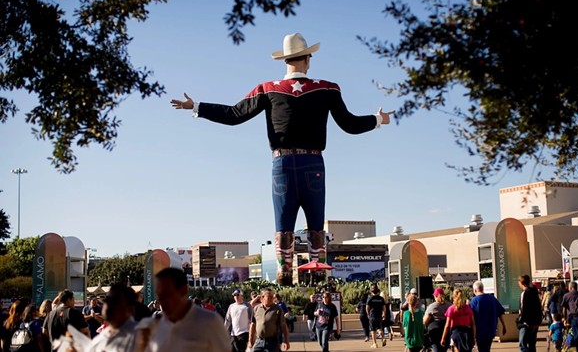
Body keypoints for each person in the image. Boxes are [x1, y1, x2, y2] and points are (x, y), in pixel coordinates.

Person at [170, 32, 394, 285]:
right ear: (308, 59)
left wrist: (197, 106)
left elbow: (234, 115)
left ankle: (284, 270)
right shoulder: (328, 88)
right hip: (313, 164)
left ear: (284, 61)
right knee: (315, 224)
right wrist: (378, 120)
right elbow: (350, 124)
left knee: (283, 224)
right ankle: (317, 272)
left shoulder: (267, 89)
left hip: (282, 164)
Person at [136, 267, 230, 351]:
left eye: (166, 294)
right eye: (159, 295)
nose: (161, 301)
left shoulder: (210, 322)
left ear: (183, 290)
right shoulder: (154, 325)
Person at [88, 283, 138, 352]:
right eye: (107, 301)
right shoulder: (100, 339)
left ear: (130, 308)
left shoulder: (141, 335)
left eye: (115, 303)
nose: (109, 306)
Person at [470, 280, 507, 352]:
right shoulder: (492, 298)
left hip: (480, 331)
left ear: (475, 290)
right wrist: (504, 326)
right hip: (491, 330)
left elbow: (471, 317)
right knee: (487, 348)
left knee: (482, 349)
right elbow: (500, 313)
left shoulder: (474, 301)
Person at [517, 274, 543, 352]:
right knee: (532, 344)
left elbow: (524, 308)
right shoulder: (534, 292)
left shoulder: (525, 293)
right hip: (535, 322)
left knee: (523, 344)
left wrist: (520, 320)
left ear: (522, 283)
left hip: (526, 322)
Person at [424, 288, 451, 352]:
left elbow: (425, 321)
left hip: (435, 332)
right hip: (446, 331)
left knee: (436, 349)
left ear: (435, 296)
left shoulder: (432, 306)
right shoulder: (450, 305)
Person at [366, 284, 386, 349]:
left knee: (373, 330)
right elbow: (384, 307)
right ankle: (382, 338)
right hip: (379, 315)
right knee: (379, 328)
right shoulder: (381, 299)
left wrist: (368, 314)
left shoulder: (370, 298)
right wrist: (384, 313)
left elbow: (367, 307)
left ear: (371, 291)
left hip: (372, 315)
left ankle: (375, 343)